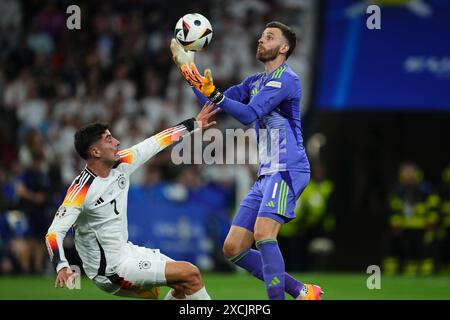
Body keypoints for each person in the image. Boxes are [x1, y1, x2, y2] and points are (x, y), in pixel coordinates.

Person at [171, 21, 322, 300]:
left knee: (264, 234)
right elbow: (215, 102)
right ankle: (301, 291)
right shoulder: (254, 82)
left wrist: (214, 92)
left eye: (269, 37)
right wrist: (188, 71)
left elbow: (249, 114)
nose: (261, 40)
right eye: (261, 35)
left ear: (284, 47)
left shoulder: (287, 79)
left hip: (288, 168)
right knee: (233, 248)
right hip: (266, 174)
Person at [45, 102, 218, 300]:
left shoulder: (122, 163)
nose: (117, 142)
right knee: (190, 273)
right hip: (110, 271)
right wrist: (62, 266)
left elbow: (155, 142)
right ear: (95, 152)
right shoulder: (81, 190)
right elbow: (53, 233)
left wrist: (194, 124)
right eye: (109, 139)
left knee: (183, 283)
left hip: (128, 252)